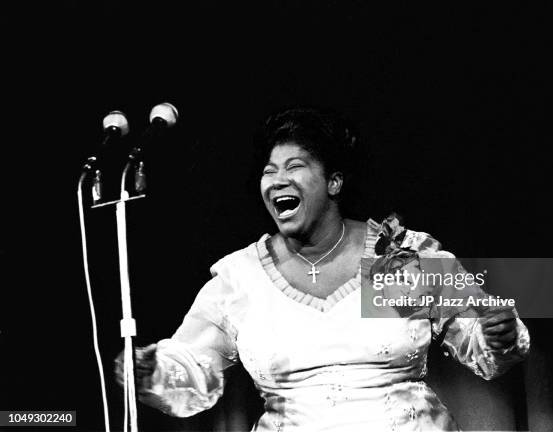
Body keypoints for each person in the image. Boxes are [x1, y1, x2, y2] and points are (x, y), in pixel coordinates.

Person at [115, 107, 530, 431]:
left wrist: (497, 333)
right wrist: (152, 369)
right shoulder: (242, 278)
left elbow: (478, 339)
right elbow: (191, 364)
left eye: (294, 167)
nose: (276, 180)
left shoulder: (394, 256)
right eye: (268, 171)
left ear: (334, 182)